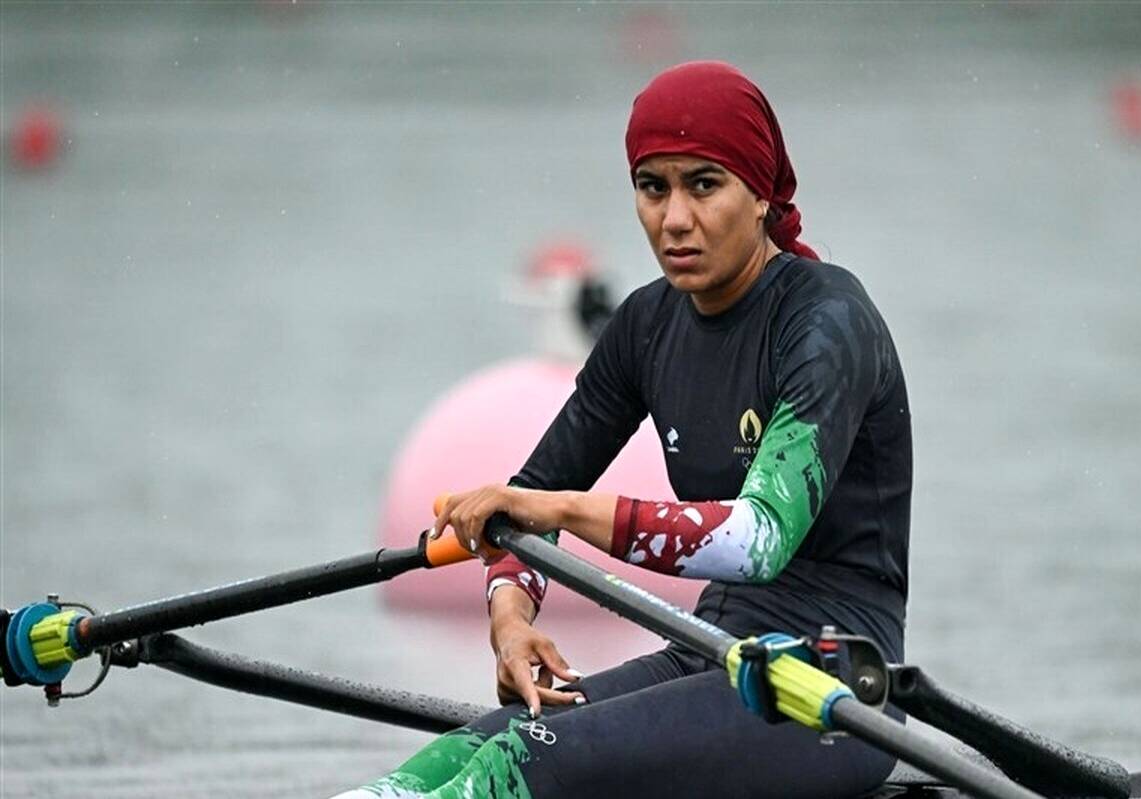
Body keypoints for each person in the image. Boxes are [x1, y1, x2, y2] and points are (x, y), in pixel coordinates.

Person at [335, 60, 912, 799]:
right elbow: (529, 501)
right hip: (710, 653)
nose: (674, 219)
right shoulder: (646, 324)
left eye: (704, 185)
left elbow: (758, 539)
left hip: (831, 689)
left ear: (762, 194)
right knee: (460, 751)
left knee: (530, 761)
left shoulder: (826, 322)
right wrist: (511, 621)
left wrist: (556, 509)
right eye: (653, 187)